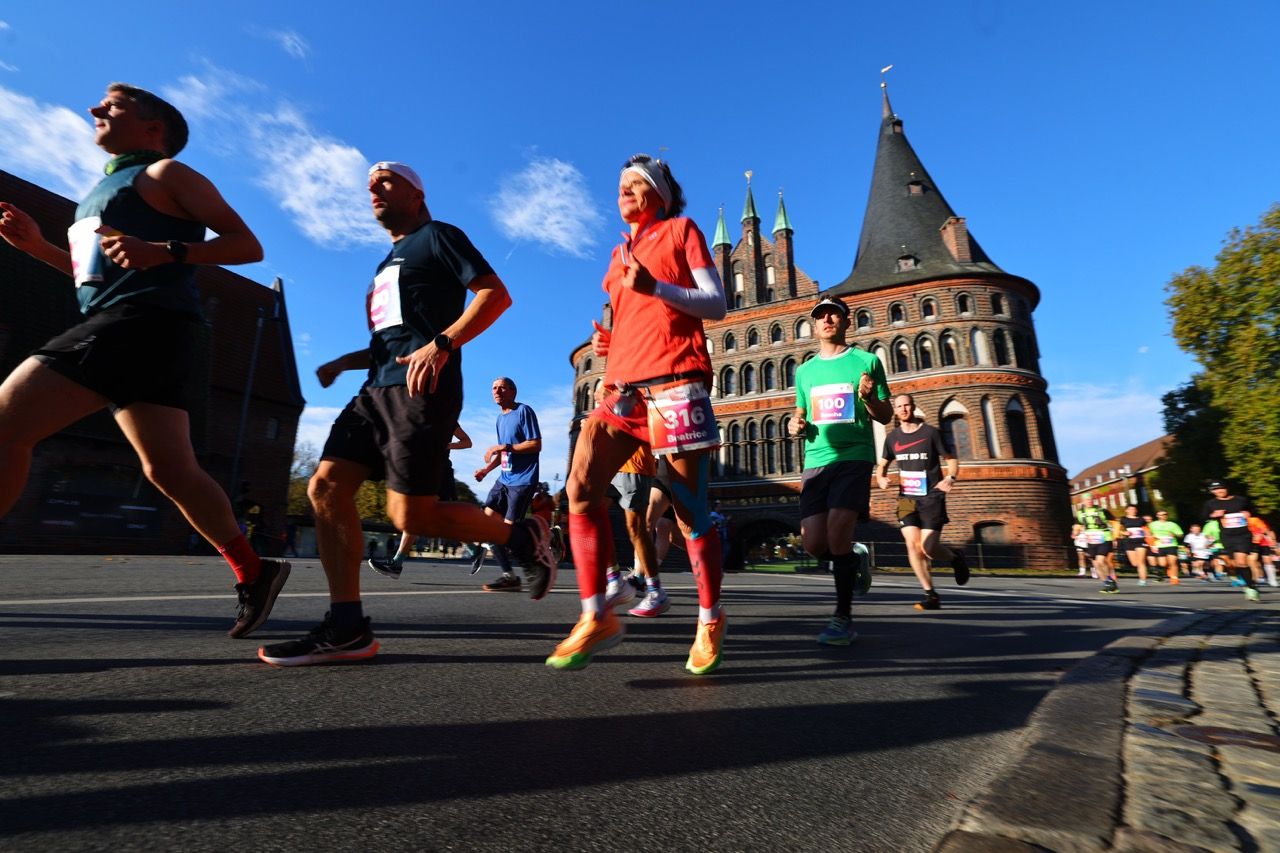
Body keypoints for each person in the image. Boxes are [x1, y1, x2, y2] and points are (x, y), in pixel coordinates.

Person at [0, 83, 289, 638]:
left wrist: (169, 251)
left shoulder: (166, 175)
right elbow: (98, 280)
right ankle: (255, 571)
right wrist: (37, 248)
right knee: (170, 469)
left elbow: (247, 246)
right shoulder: (96, 196)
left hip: (141, 324)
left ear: (153, 130)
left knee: (7, 427)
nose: (94, 109)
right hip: (149, 328)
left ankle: (254, 569)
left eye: (112, 106)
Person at [258, 161, 554, 667]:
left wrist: (442, 344)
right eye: (369, 182)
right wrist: (343, 362)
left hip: (424, 390)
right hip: (374, 391)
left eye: (386, 180)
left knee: (410, 515)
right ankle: (346, 626)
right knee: (324, 487)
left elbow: (494, 294)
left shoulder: (438, 236)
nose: (373, 187)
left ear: (417, 195)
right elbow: (389, 345)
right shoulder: (383, 267)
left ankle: (522, 536)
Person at [550, 154, 727, 673]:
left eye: (635, 183)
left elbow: (715, 304)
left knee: (688, 508)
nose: (623, 189)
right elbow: (631, 313)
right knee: (579, 486)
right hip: (623, 386)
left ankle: (711, 617)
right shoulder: (617, 253)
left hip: (676, 381)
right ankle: (595, 613)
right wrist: (612, 342)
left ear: (661, 195)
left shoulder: (681, 229)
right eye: (620, 183)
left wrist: (655, 288)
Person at [790, 295, 892, 644]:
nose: (827, 319)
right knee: (815, 545)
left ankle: (842, 617)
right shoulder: (804, 371)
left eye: (834, 314)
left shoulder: (866, 361)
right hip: (816, 460)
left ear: (847, 321)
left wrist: (868, 398)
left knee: (835, 533)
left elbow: (884, 415)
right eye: (821, 316)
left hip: (854, 456)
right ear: (814, 325)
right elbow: (801, 413)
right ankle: (853, 556)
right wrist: (796, 423)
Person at [875, 394, 968, 611]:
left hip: (931, 497)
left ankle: (955, 558)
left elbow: (951, 460)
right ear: (895, 411)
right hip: (906, 498)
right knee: (912, 545)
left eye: (907, 405)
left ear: (913, 407)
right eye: (899, 406)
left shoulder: (931, 433)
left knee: (928, 548)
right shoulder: (892, 438)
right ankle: (931, 594)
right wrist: (880, 478)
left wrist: (950, 478)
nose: (903, 409)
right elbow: (882, 465)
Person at [367, 425, 472, 579]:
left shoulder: (446, 417)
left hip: (439, 472)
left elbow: (467, 442)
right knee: (418, 517)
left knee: (434, 517)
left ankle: (396, 564)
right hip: (423, 472)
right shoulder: (415, 415)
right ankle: (478, 545)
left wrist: (448, 445)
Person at [471, 377, 542, 591]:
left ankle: (541, 540)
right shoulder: (499, 419)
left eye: (502, 387)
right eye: (493, 387)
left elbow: (535, 444)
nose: (497, 391)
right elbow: (503, 451)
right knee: (488, 526)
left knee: (507, 532)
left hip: (523, 480)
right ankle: (509, 577)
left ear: (513, 391)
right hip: (503, 479)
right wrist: (486, 470)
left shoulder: (524, 411)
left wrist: (504, 446)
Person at [1202, 481, 1259, 601]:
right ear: (1212, 491)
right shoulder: (1211, 503)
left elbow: (1253, 511)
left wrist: (1248, 514)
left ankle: (1250, 588)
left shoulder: (1240, 500)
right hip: (1227, 536)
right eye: (1216, 489)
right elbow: (1203, 516)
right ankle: (1250, 584)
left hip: (1243, 535)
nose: (1219, 491)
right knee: (1235, 564)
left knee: (1242, 561)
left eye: (1221, 488)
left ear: (1226, 488)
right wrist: (1214, 515)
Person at [1075, 495, 1116, 593]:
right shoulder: (1080, 513)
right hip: (1091, 540)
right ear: (1083, 501)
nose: (1089, 501)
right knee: (1096, 564)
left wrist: (1115, 536)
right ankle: (1107, 583)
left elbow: (1115, 522)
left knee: (1100, 560)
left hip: (1104, 537)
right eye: (1087, 499)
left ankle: (1110, 580)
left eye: (1091, 499)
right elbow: (1078, 525)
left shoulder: (1102, 510)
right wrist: (1075, 532)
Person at [1116, 505, 1151, 585]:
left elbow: (1146, 530)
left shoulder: (1141, 519)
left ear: (1136, 510)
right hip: (1129, 542)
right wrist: (1124, 533)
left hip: (1140, 541)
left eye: (1134, 509)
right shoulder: (1123, 519)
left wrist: (1150, 540)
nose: (1132, 510)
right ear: (1126, 510)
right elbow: (1117, 530)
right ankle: (1142, 572)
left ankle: (1143, 580)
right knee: (1135, 563)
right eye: (1130, 509)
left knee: (1141, 561)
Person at [1147, 510, 1184, 584]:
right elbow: (1148, 534)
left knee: (1173, 562)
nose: (1162, 516)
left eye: (1164, 514)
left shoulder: (1172, 524)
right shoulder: (1152, 524)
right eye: (1160, 515)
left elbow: (1181, 535)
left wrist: (1175, 535)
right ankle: (1168, 570)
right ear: (1157, 516)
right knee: (1162, 564)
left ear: (1167, 515)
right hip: (1160, 546)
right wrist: (1152, 538)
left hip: (1171, 545)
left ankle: (1174, 578)